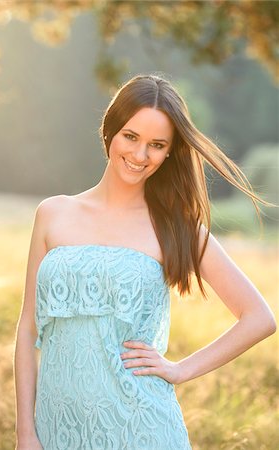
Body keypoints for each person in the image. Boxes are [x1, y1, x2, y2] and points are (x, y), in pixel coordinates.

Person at [14, 73, 277, 450]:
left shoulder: (176, 226)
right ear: (110, 131)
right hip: (57, 428)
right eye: (131, 137)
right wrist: (26, 432)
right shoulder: (53, 214)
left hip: (141, 428)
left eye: (156, 145)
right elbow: (27, 329)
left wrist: (179, 369)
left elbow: (259, 318)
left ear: (169, 151)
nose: (140, 156)